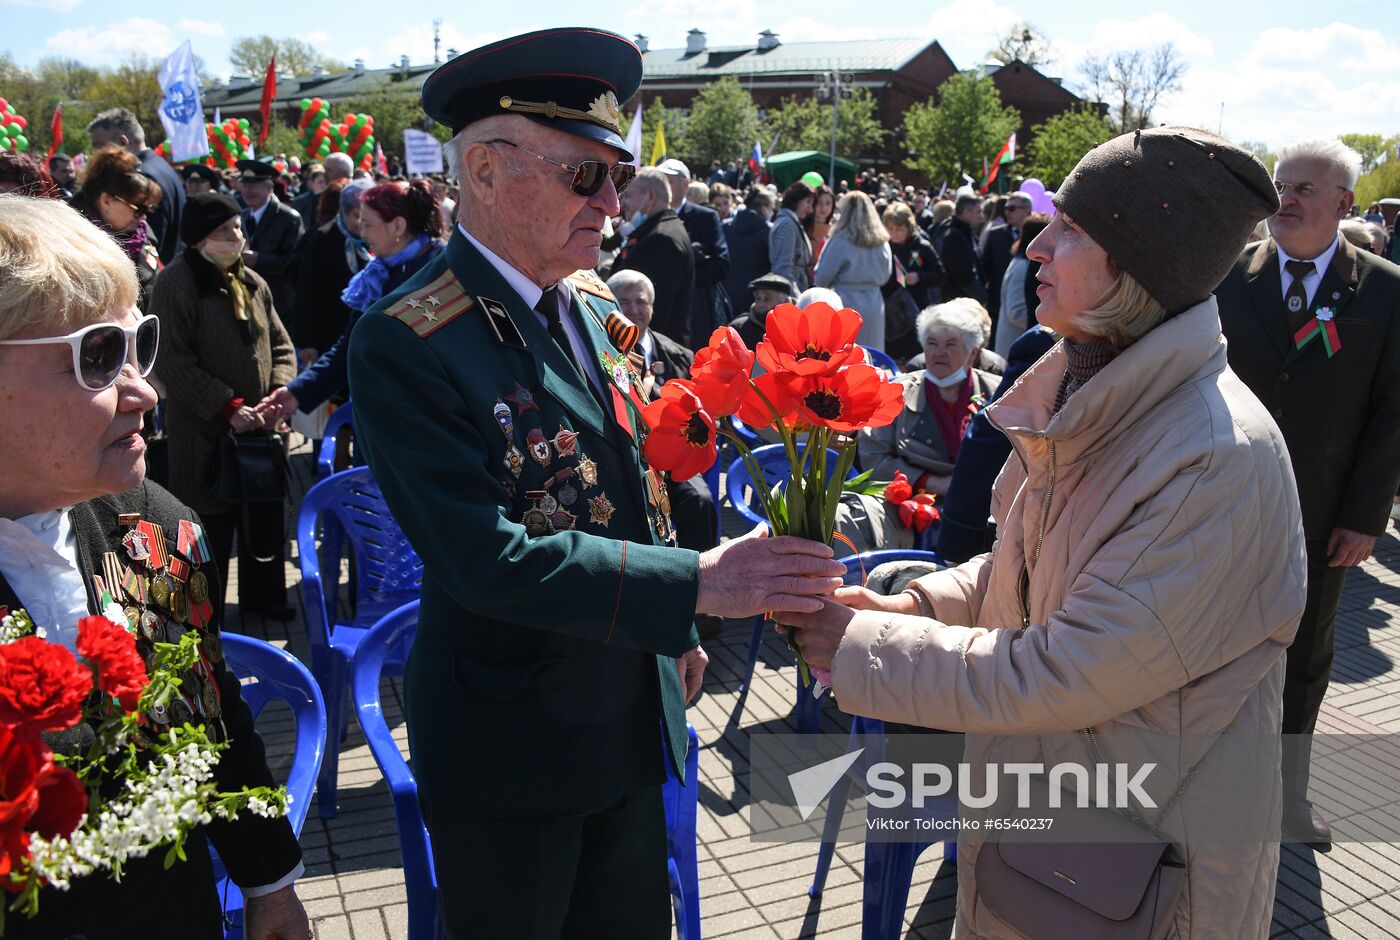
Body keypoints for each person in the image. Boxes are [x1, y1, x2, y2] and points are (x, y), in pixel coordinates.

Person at [345, 28, 846, 938]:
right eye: (587, 176)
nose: (614, 203)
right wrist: (700, 585)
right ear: (487, 172)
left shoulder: (593, 304)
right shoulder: (407, 339)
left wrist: (677, 629)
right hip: (516, 748)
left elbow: (633, 477)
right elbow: (483, 559)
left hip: (628, 704)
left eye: (616, 175)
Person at [787, 127, 1304, 940]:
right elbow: (1029, 568)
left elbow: (1070, 666)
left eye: (1068, 229)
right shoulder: (1104, 392)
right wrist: (911, 606)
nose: (1036, 246)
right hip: (1060, 841)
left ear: (1134, 269)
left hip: (1143, 871)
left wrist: (861, 647)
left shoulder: (1210, 456)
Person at [0, 194, 308, 940]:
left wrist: (269, 881)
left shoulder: (155, 521)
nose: (144, 389)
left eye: (140, 343)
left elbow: (210, 711)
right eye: (99, 356)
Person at [1215, 138, 1400, 849]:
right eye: (1280, 186)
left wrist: (1365, 516)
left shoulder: (1383, 290)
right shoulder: (1228, 275)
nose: (1284, 200)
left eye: (1303, 190)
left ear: (1345, 206)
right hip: (1223, 505)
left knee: (1302, 661)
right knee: (1210, 648)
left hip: (1323, 517)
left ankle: (1286, 800)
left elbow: (1392, 412)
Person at [147, 192, 299, 622]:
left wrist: (279, 391)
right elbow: (171, 359)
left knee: (261, 518)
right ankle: (203, 610)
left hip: (261, 432)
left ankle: (264, 599)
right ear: (199, 239)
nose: (237, 235)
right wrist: (226, 405)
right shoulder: (176, 283)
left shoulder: (251, 279)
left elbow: (280, 343)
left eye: (237, 227)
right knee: (207, 525)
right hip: (205, 435)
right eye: (224, 230)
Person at [257, 179, 446, 422]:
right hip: (378, 415)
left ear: (397, 226)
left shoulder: (442, 272)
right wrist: (296, 392)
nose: (363, 233)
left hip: (424, 423)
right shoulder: (378, 272)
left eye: (367, 225)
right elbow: (352, 345)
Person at [606, 268, 720, 559]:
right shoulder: (598, 352)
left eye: (640, 301)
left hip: (674, 458)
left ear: (653, 307)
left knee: (701, 500)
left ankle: (702, 590)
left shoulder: (680, 356)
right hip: (618, 455)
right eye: (624, 301)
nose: (633, 309)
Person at [857, 300, 999, 495]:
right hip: (911, 501)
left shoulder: (998, 392)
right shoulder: (896, 392)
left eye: (951, 344)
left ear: (972, 354)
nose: (939, 353)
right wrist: (930, 482)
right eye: (932, 343)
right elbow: (873, 456)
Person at [284, 178, 371, 367]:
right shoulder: (322, 238)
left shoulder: (374, 237)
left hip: (364, 335)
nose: (362, 225)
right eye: (357, 216)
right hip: (328, 334)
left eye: (368, 219)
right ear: (344, 212)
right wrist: (307, 341)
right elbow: (306, 291)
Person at [69, 146, 164, 308]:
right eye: (139, 208)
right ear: (106, 201)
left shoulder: (141, 234)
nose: (143, 217)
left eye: (148, 209)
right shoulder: (71, 247)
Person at [87, 107, 184, 264]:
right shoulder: (162, 165)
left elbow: (146, 240)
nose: (94, 154)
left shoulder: (139, 177)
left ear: (122, 142)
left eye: (98, 146)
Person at [612, 167, 695, 344]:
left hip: (649, 351)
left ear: (650, 197)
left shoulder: (660, 239)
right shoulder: (661, 230)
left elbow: (653, 311)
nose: (622, 203)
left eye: (627, 196)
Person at [659, 159, 731, 350]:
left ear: (686, 184)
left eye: (670, 181)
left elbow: (721, 264)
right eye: (661, 181)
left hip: (696, 309)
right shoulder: (650, 215)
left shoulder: (704, 217)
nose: (664, 187)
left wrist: (686, 274)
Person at [813, 191, 892, 349]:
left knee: (847, 356)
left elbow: (821, 278)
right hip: (875, 303)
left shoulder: (840, 239)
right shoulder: (881, 241)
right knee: (873, 354)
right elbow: (886, 274)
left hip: (845, 302)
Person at [235, 159, 305, 327]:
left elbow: (295, 262)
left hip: (279, 303)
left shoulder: (289, 218)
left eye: (253, 185)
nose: (247, 191)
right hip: (248, 300)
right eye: (244, 185)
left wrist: (259, 259)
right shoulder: (243, 216)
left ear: (269, 187)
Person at [993, 211, 1051, 356]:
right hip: (1014, 344)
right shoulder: (1023, 267)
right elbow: (1016, 312)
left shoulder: (1023, 262)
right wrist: (1048, 322)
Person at [980, 190, 1031, 331]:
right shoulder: (995, 234)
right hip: (998, 304)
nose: (1007, 212)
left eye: (1012, 208)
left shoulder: (1038, 234)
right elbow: (985, 268)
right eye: (1006, 208)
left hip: (1027, 305)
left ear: (1026, 210)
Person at [720, 187, 772, 315]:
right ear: (764, 207)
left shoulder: (725, 227)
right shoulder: (768, 231)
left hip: (728, 293)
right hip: (757, 296)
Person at [936, 192, 989, 304]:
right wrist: (983, 299)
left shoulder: (966, 232)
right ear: (966, 213)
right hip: (959, 304)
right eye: (978, 211)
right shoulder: (954, 236)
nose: (981, 216)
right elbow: (965, 277)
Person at [769, 180, 814, 292]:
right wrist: (795, 298)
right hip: (791, 292)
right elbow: (782, 268)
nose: (810, 209)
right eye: (807, 202)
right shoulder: (787, 224)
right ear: (796, 200)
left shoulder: (791, 222)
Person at [728, 272, 794, 348]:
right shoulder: (738, 329)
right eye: (758, 298)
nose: (760, 304)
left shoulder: (796, 328)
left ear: (786, 302)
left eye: (767, 298)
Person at [292, 152, 351, 231]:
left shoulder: (355, 197)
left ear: (345, 173)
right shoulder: (317, 199)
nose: (324, 174)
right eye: (324, 169)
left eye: (329, 170)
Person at [807, 183, 836, 272]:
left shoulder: (836, 230)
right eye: (819, 202)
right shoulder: (803, 228)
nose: (823, 207)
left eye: (828, 203)